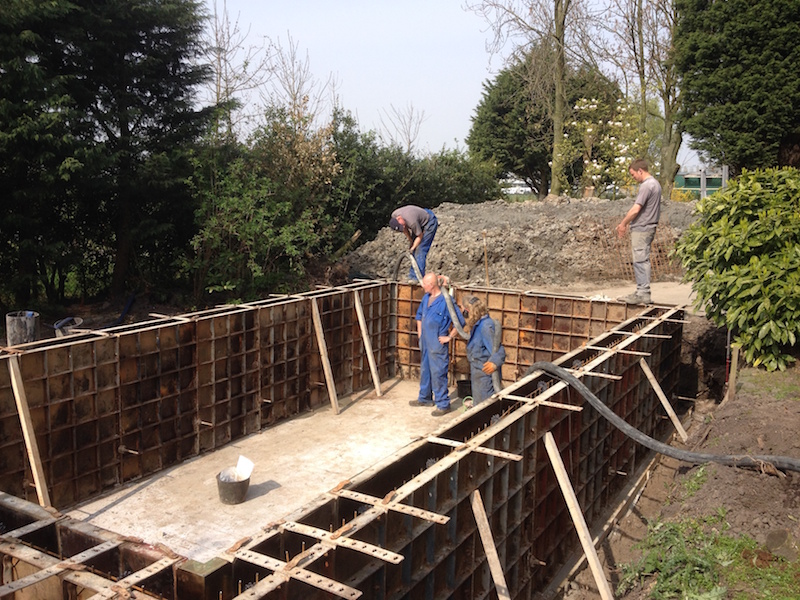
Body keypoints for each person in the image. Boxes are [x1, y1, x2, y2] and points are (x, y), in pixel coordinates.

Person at [409, 272, 464, 416]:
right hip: (426, 342)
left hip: (437, 344)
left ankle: (443, 404)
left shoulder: (447, 301)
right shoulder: (426, 298)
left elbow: (460, 322)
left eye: (425, 284)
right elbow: (419, 317)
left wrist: (449, 337)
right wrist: (420, 334)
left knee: (438, 373)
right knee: (425, 371)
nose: (422, 286)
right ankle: (425, 398)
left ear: (432, 285)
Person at [615, 159, 662, 304]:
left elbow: (636, 209)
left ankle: (643, 293)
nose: (633, 177)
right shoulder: (656, 184)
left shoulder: (647, 186)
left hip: (642, 228)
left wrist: (623, 224)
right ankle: (642, 291)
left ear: (640, 171)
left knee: (640, 260)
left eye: (633, 174)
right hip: (648, 226)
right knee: (642, 259)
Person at [462, 295, 505, 406]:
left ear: (468, 311)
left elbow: (499, 349)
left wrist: (494, 363)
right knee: (479, 405)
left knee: (486, 407)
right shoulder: (478, 325)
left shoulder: (485, 327)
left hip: (486, 376)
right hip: (478, 373)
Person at [389, 205, 438, 282]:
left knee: (420, 249)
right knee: (415, 248)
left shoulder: (412, 222)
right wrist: (411, 241)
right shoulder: (395, 215)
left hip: (429, 220)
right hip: (418, 217)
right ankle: (412, 275)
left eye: (402, 226)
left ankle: (416, 278)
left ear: (399, 218)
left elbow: (420, 236)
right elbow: (404, 229)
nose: (403, 227)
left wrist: (412, 248)